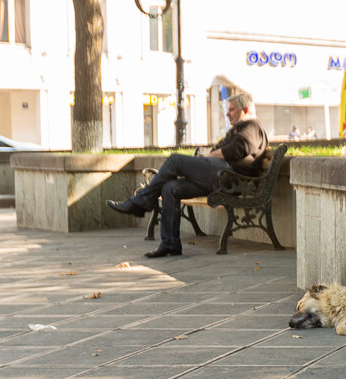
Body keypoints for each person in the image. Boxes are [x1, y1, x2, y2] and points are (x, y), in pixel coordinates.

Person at [106, 92, 269, 258]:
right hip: (221, 177)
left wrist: (210, 156)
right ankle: (170, 243)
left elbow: (240, 148)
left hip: (230, 179)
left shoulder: (252, 126)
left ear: (246, 109)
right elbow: (221, 148)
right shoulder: (238, 129)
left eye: (232, 110)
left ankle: (140, 201)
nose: (227, 113)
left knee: (175, 160)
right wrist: (208, 157)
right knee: (170, 187)